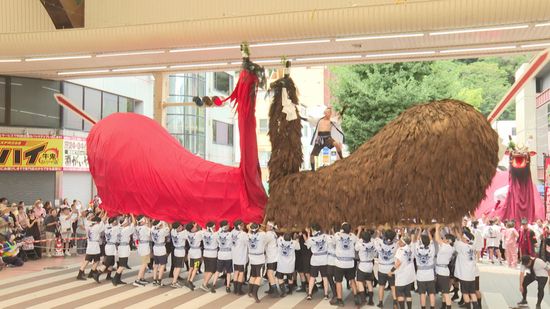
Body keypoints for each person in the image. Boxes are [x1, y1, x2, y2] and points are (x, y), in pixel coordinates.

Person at [330, 222, 358, 307]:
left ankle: (340, 300)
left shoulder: (337, 235)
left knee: (338, 281)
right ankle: (356, 297)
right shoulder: (353, 236)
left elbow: (333, 244)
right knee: (352, 279)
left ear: (342, 229)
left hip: (340, 263)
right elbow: (356, 244)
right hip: (350, 263)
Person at [453, 226, 479, 309]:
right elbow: (460, 238)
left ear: (466, 239)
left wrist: (455, 229)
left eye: (463, 237)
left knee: (465, 293)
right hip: (471, 276)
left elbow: (457, 238)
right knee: (472, 293)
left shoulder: (462, 246)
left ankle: (468, 307)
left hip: (464, 276)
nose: (461, 238)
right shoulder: (472, 246)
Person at [76, 213, 107, 280]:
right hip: (94, 246)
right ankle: (88, 273)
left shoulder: (88, 226)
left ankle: (83, 273)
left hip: (90, 244)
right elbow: (102, 221)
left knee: (88, 260)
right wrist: (106, 213)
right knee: (96, 260)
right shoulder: (96, 227)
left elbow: (98, 220)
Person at [304, 223, 330, 300]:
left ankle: (309, 294)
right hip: (324, 259)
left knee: (312, 277)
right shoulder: (325, 236)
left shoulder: (312, 239)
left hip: (315, 259)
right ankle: (326, 294)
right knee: (325, 277)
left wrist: (308, 233)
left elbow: (308, 245)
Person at [375, 228, 398, 308]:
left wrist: (379, 233)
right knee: (393, 286)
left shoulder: (379, 243)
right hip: (391, 269)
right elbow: (396, 239)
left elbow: (376, 239)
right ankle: (395, 301)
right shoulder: (395, 245)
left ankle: (380, 302)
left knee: (381, 286)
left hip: (381, 268)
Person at [413, 229, 436, 309]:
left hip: (420, 275)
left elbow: (417, 240)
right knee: (431, 293)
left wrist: (419, 230)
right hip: (430, 274)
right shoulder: (432, 249)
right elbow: (431, 240)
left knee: (422, 293)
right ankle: (432, 307)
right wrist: (428, 231)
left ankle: (423, 307)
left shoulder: (417, 249)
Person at [434, 224, 455, 309]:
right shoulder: (448, 247)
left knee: (446, 292)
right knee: (444, 291)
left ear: (449, 241)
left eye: (445, 238)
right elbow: (438, 238)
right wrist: (438, 230)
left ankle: (448, 307)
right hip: (441, 270)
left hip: (443, 272)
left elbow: (437, 238)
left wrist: (437, 228)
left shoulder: (447, 247)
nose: (444, 239)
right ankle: (443, 306)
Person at [93, 217, 119, 283]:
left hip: (108, 245)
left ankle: (108, 276)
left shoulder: (107, 227)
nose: (116, 222)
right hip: (111, 246)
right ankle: (97, 274)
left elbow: (106, 223)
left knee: (112, 262)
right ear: (113, 222)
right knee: (107, 262)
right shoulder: (115, 228)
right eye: (115, 220)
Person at [392, 234, 415, 309]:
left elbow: (398, 263)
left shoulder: (400, 250)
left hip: (401, 275)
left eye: (400, 240)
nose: (398, 241)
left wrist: (391, 271)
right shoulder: (411, 248)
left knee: (400, 293)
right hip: (409, 275)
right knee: (407, 292)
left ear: (403, 242)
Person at [355, 227, 376, 306]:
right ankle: (371, 301)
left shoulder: (360, 244)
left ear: (362, 238)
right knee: (369, 283)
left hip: (362, 265)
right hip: (370, 265)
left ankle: (363, 299)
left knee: (360, 282)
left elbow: (356, 247)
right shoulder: (373, 243)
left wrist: (359, 232)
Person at [247, 222, 268, 303]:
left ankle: (250, 291)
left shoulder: (248, 235)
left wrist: (249, 228)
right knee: (259, 277)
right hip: (259, 259)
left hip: (252, 258)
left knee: (253, 275)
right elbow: (264, 233)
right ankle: (254, 293)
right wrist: (260, 227)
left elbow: (250, 231)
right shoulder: (262, 235)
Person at [211, 220, 233, 293]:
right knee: (228, 272)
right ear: (226, 226)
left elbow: (214, 235)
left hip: (220, 254)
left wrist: (220, 230)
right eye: (228, 224)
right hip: (228, 254)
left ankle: (213, 285)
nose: (229, 225)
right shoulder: (230, 234)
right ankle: (227, 286)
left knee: (218, 271)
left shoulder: (217, 234)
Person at [113, 215, 135, 286]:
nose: (128, 222)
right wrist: (132, 215)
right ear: (125, 223)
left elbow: (122, 222)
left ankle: (118, 279)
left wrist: (125, 216)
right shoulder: (126, 229)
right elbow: (134, 223)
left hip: (120, 247)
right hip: (124, 247)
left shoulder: (119, 228)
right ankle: (115, 278)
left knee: (121, 264)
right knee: (122, 265)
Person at [276, 232, 300, 297]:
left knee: (280, 278)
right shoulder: (294, 243)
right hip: (290, 265)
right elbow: (298, 248)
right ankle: (290, 291)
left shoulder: (280, 241)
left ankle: (283, 291)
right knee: (290, 278)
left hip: (281, 264)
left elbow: (280, 236)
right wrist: (297, 239)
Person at [184, 221, 204, 290]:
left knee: (191, 267)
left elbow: (189, 229)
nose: (196, 227)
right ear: (192, 229)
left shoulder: (187, 233)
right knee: (196, 267)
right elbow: (204, 230)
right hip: (197, 253)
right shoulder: (198, 234)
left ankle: (188, 280)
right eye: (194, 226)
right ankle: (191, 281)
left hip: (191, 252)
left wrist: (194, 224)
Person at [200, 221, 219, 292]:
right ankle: (204, 284)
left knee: (207, 269)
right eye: (214, 228)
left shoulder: (203, 233)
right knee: (211, 270)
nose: (215, 229)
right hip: (212, 254)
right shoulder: (215, 235)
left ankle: (205, 282)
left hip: (206, 253)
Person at [133, 215, 152, 286]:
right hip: (144, 246)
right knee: (144, 264)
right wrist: (149, 222)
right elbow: (150, 232)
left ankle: (142, 278)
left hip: (141, 245)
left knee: (145, 263)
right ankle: (137, 279)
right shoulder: (144, 228)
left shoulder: (137, 227)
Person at [231, 219, 248, 295]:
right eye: (242, 225)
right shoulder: (243, 234)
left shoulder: (232, 232)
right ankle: (239, 290)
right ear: (239, 226)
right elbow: (248, 242)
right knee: (241, 273)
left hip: (234, 255)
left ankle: (235, 290)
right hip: (241, 256)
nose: (243, 226)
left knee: (236, 272)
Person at [151, 220, 170, 286]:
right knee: (162, 265)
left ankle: (154, 280)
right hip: (161, 248)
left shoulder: (152, 229)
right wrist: (165, 220)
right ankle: (159, 280)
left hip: (155, 247)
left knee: (156, 265)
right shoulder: (163, 231)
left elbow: (154, 224)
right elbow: (168, 228)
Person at [264, 221, 279, 297]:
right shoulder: (274, 233)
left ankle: (275, 290)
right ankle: (271, 289)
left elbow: (263, 242)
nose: (265, 227)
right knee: (269, 273)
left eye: (267, 226)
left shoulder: (269, 234)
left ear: (270, 227)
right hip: (274, 256)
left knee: (270, 273)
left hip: (271, 257)